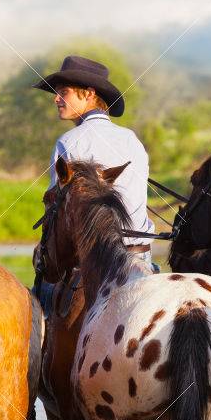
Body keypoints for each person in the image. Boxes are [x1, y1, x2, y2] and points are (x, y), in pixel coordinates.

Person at [32, 55, 156, 315]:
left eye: (62, 92)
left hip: (94, 262)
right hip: (140, 256)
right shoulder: (132, 139)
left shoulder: (69, 142)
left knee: (41, 297)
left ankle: (43, 344)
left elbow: (60, 216)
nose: (56, 99)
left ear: (88, 94)